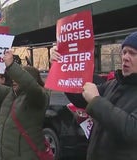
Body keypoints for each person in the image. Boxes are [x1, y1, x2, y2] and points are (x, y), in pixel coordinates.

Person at [50, 31, 137, 160]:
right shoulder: (113, 84)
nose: (125, 57)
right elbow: (80, 98)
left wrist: (96, 101)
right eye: (124, 52)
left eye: (132, 53)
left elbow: (131, 130)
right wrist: (61, 66)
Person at [0, 50, 50, 160]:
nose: (14, 80)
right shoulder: (10, 93)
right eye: (13, 78)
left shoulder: (38, 97)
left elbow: (31, 86)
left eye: (17, 78)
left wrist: (12, 66)